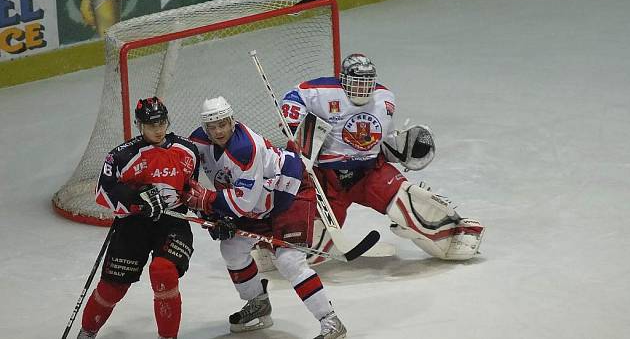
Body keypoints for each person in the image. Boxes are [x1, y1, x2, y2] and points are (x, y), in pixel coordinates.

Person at [281, 53, 485, 264]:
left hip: (369, 173)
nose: (362, 89)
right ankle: (270, 247)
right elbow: (293, 95)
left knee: (412, 204)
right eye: (357, 83)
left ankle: (455, 235)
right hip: (327, 178)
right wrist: (294, 123)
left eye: (367, 83)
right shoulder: (321, 92)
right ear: (343, 80)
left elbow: (384, 139)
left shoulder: (385, 98)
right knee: (311, 247)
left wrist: (400, 149)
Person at [183, 96, 347, 339]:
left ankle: (331, 322)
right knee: (232, 249)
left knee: (289, 260)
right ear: (205, 127)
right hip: (258, 199)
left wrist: (210, 203)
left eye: (223, 124)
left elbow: (242, 202)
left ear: (232, 121)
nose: (218, 131)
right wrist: (210, 215)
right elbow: (192, 186)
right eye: (212, 126)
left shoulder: (244, 148)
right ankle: (258, 303)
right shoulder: (197, 142)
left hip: (288, 193)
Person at [77, 97, 200, 339]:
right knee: (113, 286)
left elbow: (192, 192)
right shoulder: (121, 156)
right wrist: (136, 196)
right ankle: (87, 332)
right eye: (150, 124)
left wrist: (214, 212)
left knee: (163, 271)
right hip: (133, 224)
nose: (157, 129)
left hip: (172, 220)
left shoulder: (188, 150)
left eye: (161, 122)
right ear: (139, 125)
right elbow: (103, 193)